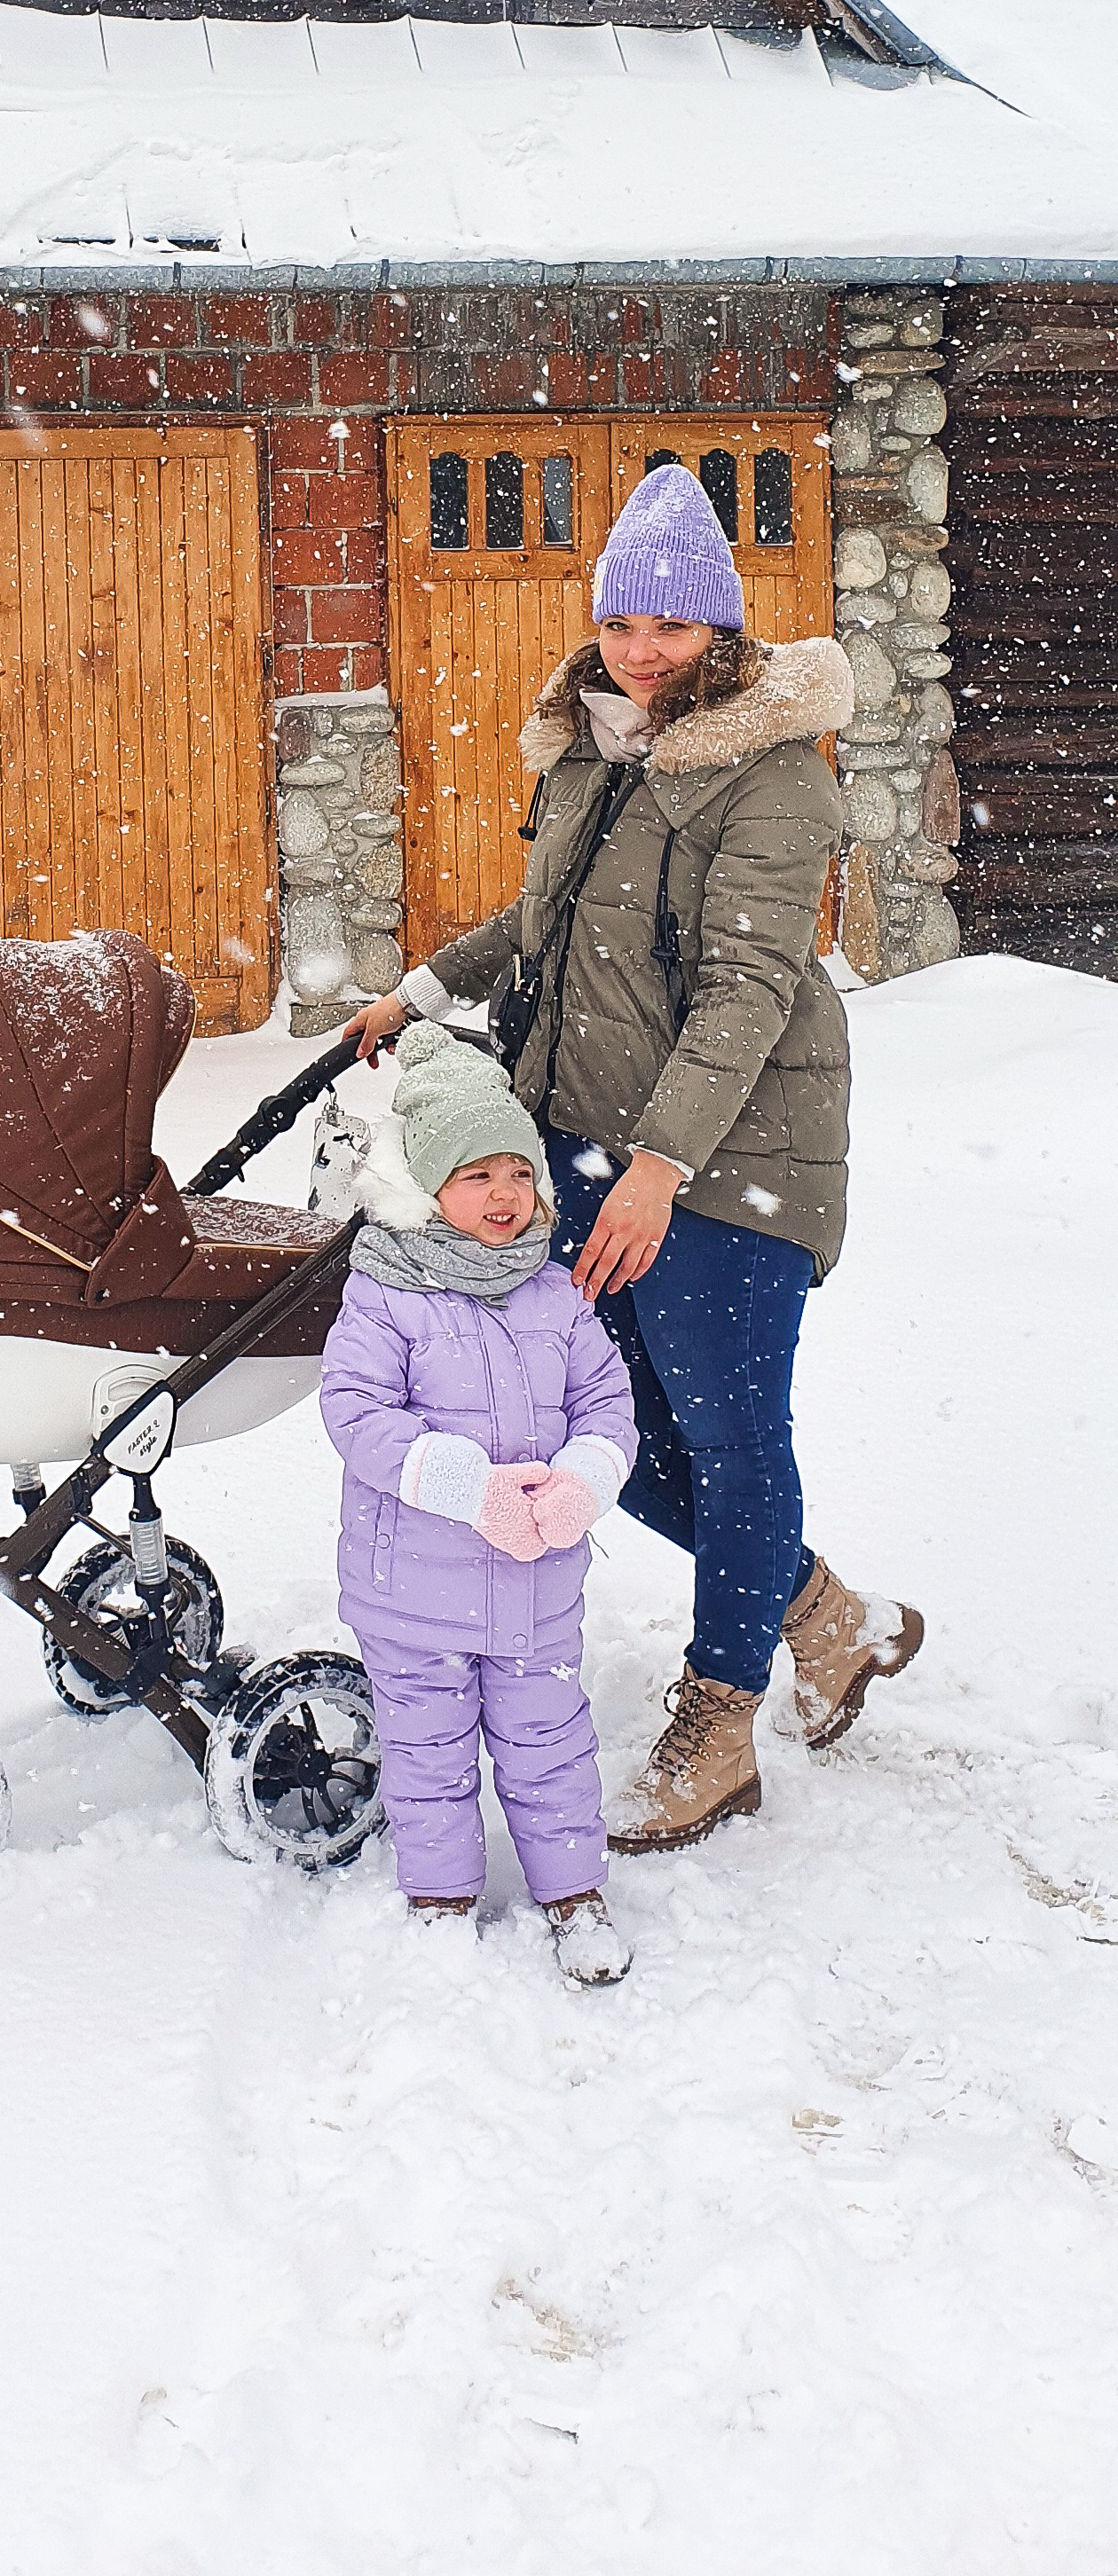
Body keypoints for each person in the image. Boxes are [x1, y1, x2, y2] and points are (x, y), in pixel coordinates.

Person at [343, 460, 923, 1851]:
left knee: (729, 1439)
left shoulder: (774, 778)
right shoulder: (600, 747)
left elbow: (746, 990)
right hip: (590, 1145)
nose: (641, 650)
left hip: (734, 1155)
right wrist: (421, 988)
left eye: (668, 627)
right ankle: (817, 1616)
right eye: (621, 625)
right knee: (610, 1434)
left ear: (721, 633)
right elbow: (549, 924)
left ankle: (720, 1721)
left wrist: (661, 1167)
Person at [319, 1025, 637, 1983]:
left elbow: (607, 1404)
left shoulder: (557, 1296)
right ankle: (441, 1900)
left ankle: (574, 1897)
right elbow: (355, 1412)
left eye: (516, 1174)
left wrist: (584, 1478)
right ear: (425, 1191)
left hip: (536, 1587)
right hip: (413, 1592)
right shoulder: (385, 1297)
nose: (503, 1196)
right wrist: (465, 1486)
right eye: (474, 1176)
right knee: (427, 1755)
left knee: (550, 1747)